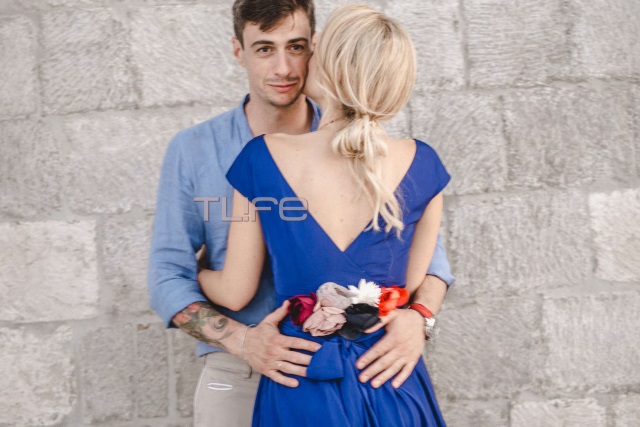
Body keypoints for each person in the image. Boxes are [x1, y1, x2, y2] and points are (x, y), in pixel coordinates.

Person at [147, 0, 453, 425]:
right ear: (238, 51)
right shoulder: (193, 150)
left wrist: (419, 320)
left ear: (318, 51)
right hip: (243, 369)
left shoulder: (268, 158)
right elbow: (165, 275)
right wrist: (243, 341)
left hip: (355, 369)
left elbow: (434, 270)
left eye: (296, 47)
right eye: (265, 49)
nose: (285, 68)